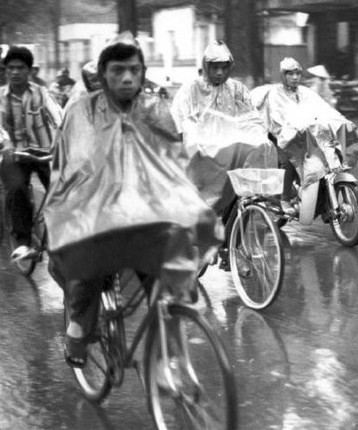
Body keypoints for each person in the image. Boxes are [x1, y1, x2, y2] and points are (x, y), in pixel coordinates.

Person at [44, 32, 217, 368]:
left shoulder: (154, 109)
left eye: (134, 70)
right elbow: (70, 168)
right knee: (88, 267)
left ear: (142, 73)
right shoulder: (81, 112)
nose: (127, 78)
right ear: (104, 74)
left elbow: (173, 163)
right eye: (118, 70)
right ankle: (78, 329)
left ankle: (169, 361)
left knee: (169, 274)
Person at [171, 40, 277, 228]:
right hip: (204, 153)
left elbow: (250, 117)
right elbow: (181, 122)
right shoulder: (191, 90)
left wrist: (260, 136)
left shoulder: (237, 89)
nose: (220, 72)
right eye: (215, 68)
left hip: (234, 149)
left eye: (224, 67)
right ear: (206, 66)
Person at [251, 57, 358, 213]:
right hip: (278, 136)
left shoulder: (306, 92)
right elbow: (277, 118)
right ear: (283, 75)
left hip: (301, 134)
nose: (295, 77)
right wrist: (291, 128)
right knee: (288, 162)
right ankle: (285, 199)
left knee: (324, 156)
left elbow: (324, 109)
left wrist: (341, 121)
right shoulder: (276, 93)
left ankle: (321, 201)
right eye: (290, 74)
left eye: (297, 74)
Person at [0, 45, 63, 261]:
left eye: (20, 68)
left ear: (29, 71)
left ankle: (69, 233)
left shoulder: (42, 93)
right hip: (14, 154)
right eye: (11, 68)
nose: (15, 72)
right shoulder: (1, 97)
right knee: (17, 190)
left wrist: (61, 139)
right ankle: (24, 243)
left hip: (44, 152)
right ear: (5, 71)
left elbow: (58, 116)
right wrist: (6, 143)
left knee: (62, 187)